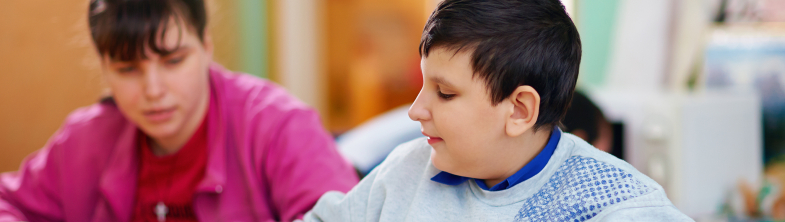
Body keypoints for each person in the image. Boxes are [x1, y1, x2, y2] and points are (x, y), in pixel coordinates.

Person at [303, 0, 692, 221]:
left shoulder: (618, 207)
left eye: (445, 93)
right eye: (424, 85)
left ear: (520, 110)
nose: (416, 111)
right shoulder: (406, 169)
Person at [0, 0, 358, 221]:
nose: (153, 90)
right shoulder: (84, 141)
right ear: (104, 67)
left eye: (173, 61)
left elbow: (347, 217)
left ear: (206, 45)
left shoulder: (279, 126)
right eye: (128, 69)